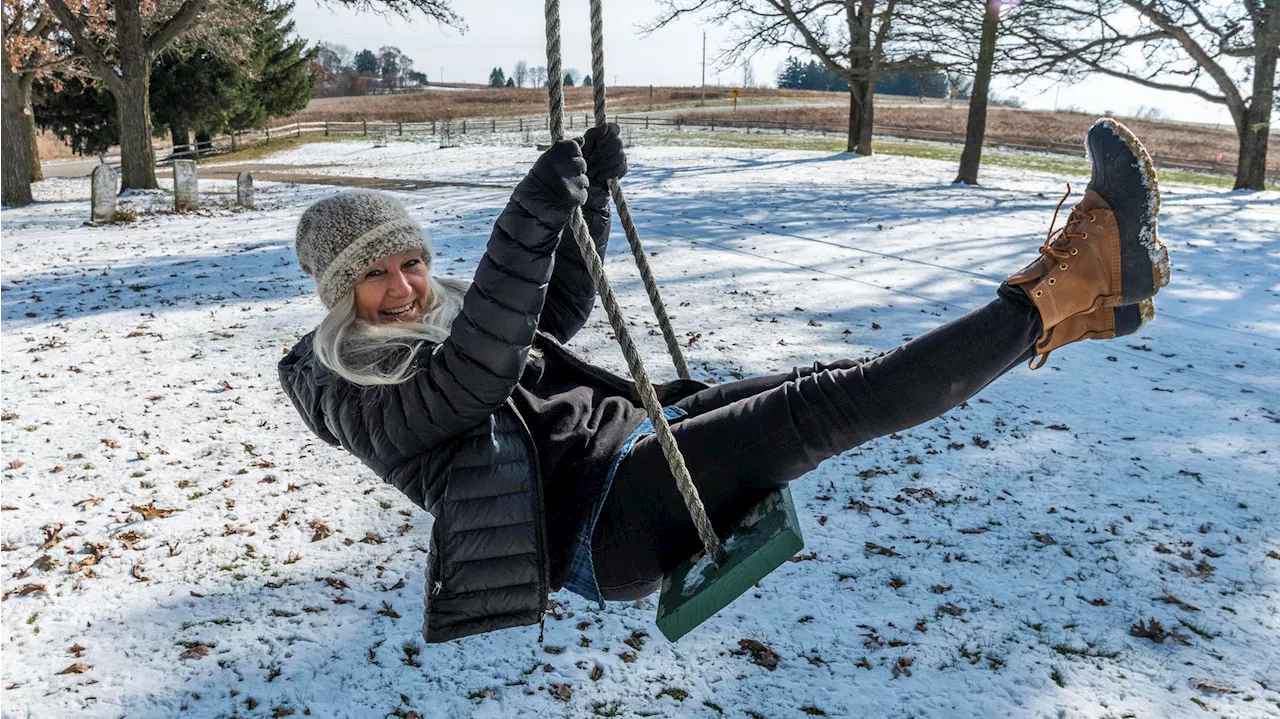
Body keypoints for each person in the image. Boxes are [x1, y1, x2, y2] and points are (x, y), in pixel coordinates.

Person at [279, 120, 1170, 643]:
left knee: (835, 382)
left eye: (411, 263)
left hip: (633, 444)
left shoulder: (449, 312)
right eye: (375, 276)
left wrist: (583, 200)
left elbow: (551, 310)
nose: (402, 288)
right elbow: (473, 382)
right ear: (337, 292)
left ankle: (1092, 304)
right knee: (831, 407)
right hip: (602, 522)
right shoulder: (343, 383)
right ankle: (1079, 275)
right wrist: (527, 213)